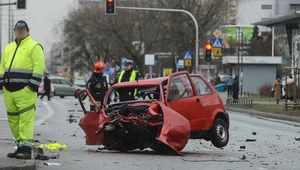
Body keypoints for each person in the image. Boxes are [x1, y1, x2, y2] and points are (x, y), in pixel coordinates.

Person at [0, 20, 45, 159]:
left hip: (25, 91)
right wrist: (2, 83)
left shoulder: (34, 46)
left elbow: (39, 66)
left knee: (25, 120)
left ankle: (26, 149)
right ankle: (20, 146)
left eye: (22, 29)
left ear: (27, 31)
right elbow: (2, 66)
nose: (20, 31)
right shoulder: (9, 47)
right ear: (14, 31)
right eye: (18, 29)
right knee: (13, 121)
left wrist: (31, 86)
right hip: (9, 91)